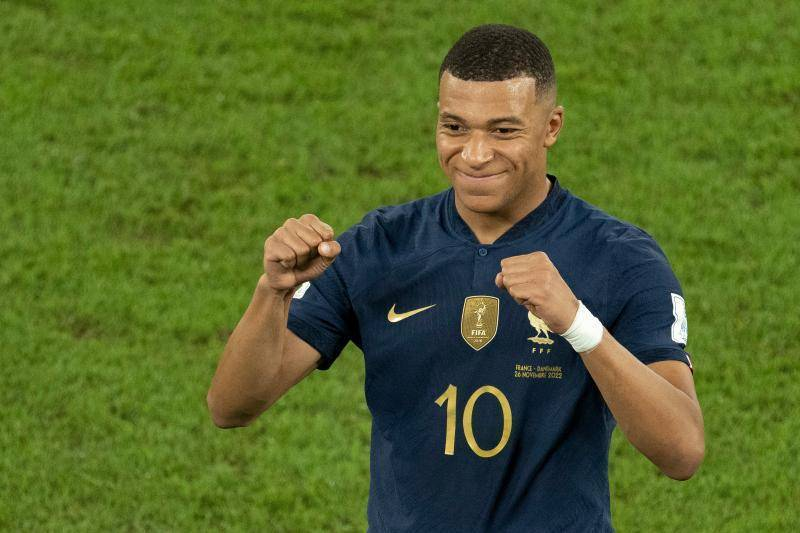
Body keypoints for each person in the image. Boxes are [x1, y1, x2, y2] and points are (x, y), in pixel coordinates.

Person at [207, 23, 705, 532]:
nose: (474, 154)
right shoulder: (378, 248)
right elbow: (231, 407)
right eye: (455, 127)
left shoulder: (620, 258)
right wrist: (273, 292)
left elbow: (682, 450)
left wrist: (578, 325)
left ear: (551, 126)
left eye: (503, 131)